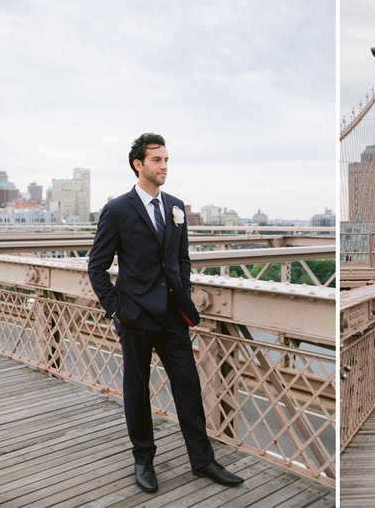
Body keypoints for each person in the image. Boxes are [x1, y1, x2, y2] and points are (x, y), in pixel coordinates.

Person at [88, 133, 244, 493]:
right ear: (138, 164)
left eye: (167, 160)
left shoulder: (175, 206)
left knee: (188, 387)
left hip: (173, 316)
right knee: (137, 391)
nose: (164, 167)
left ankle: (203, 461)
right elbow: (96, 267)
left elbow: (182, 259)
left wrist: (183, 296)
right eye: (157, 160)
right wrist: (117, 309)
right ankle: (143, 460)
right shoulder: (117, 210)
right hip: (135, 317)